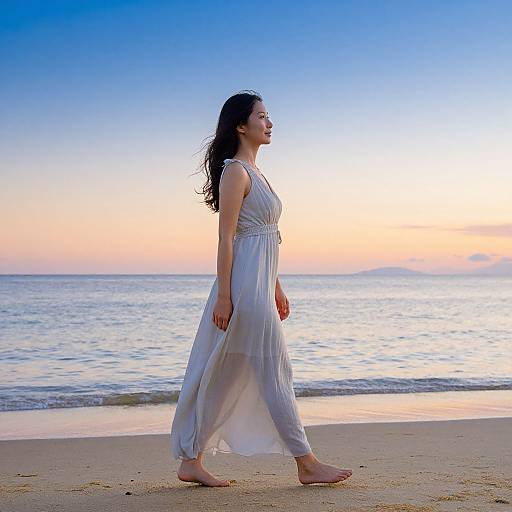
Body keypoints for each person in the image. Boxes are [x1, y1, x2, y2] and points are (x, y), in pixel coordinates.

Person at [170, 90, 353, 487]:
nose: (269, 123)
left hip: (258, 287)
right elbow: (227, 238)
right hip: (242, 291)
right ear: (241, 125)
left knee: (225, 373)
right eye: (262, 116)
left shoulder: (256, 172)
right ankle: (307, 464)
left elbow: (265, 239)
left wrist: (276, 286)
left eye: (269, 117)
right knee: (276, 371)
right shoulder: (235, 171)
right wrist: (224, 295)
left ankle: (191, 460)